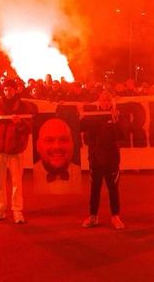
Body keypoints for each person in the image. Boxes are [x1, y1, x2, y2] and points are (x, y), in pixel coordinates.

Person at [0, 79, 32, 224]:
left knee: (16, 182)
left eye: (10, 90)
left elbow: (29, 127)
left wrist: (19, 123)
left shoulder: (24, 106)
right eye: (6, 90)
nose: (8, 92)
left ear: (16, 90)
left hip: (15, 149)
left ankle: (17, 210)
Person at [80, 90, 125, 229]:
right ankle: (93, 216)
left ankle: (115, 217)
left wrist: (116, 121)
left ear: (111, 102)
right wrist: (78, 113)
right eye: (103, 100)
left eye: (108, 100)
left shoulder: (116, 116)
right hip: (95, 160)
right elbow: (79, 127)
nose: (105, 103)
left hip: (111, 160)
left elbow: (121, 136)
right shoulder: (92, 116)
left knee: (113, 189)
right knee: (95, 189)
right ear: (98, 101)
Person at [34, 117, 81, 194]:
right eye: (49, 140)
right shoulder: (31, 177)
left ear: (73, 145)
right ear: (38, 146)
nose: (57, 146)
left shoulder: (81, 175)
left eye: (64, 140)